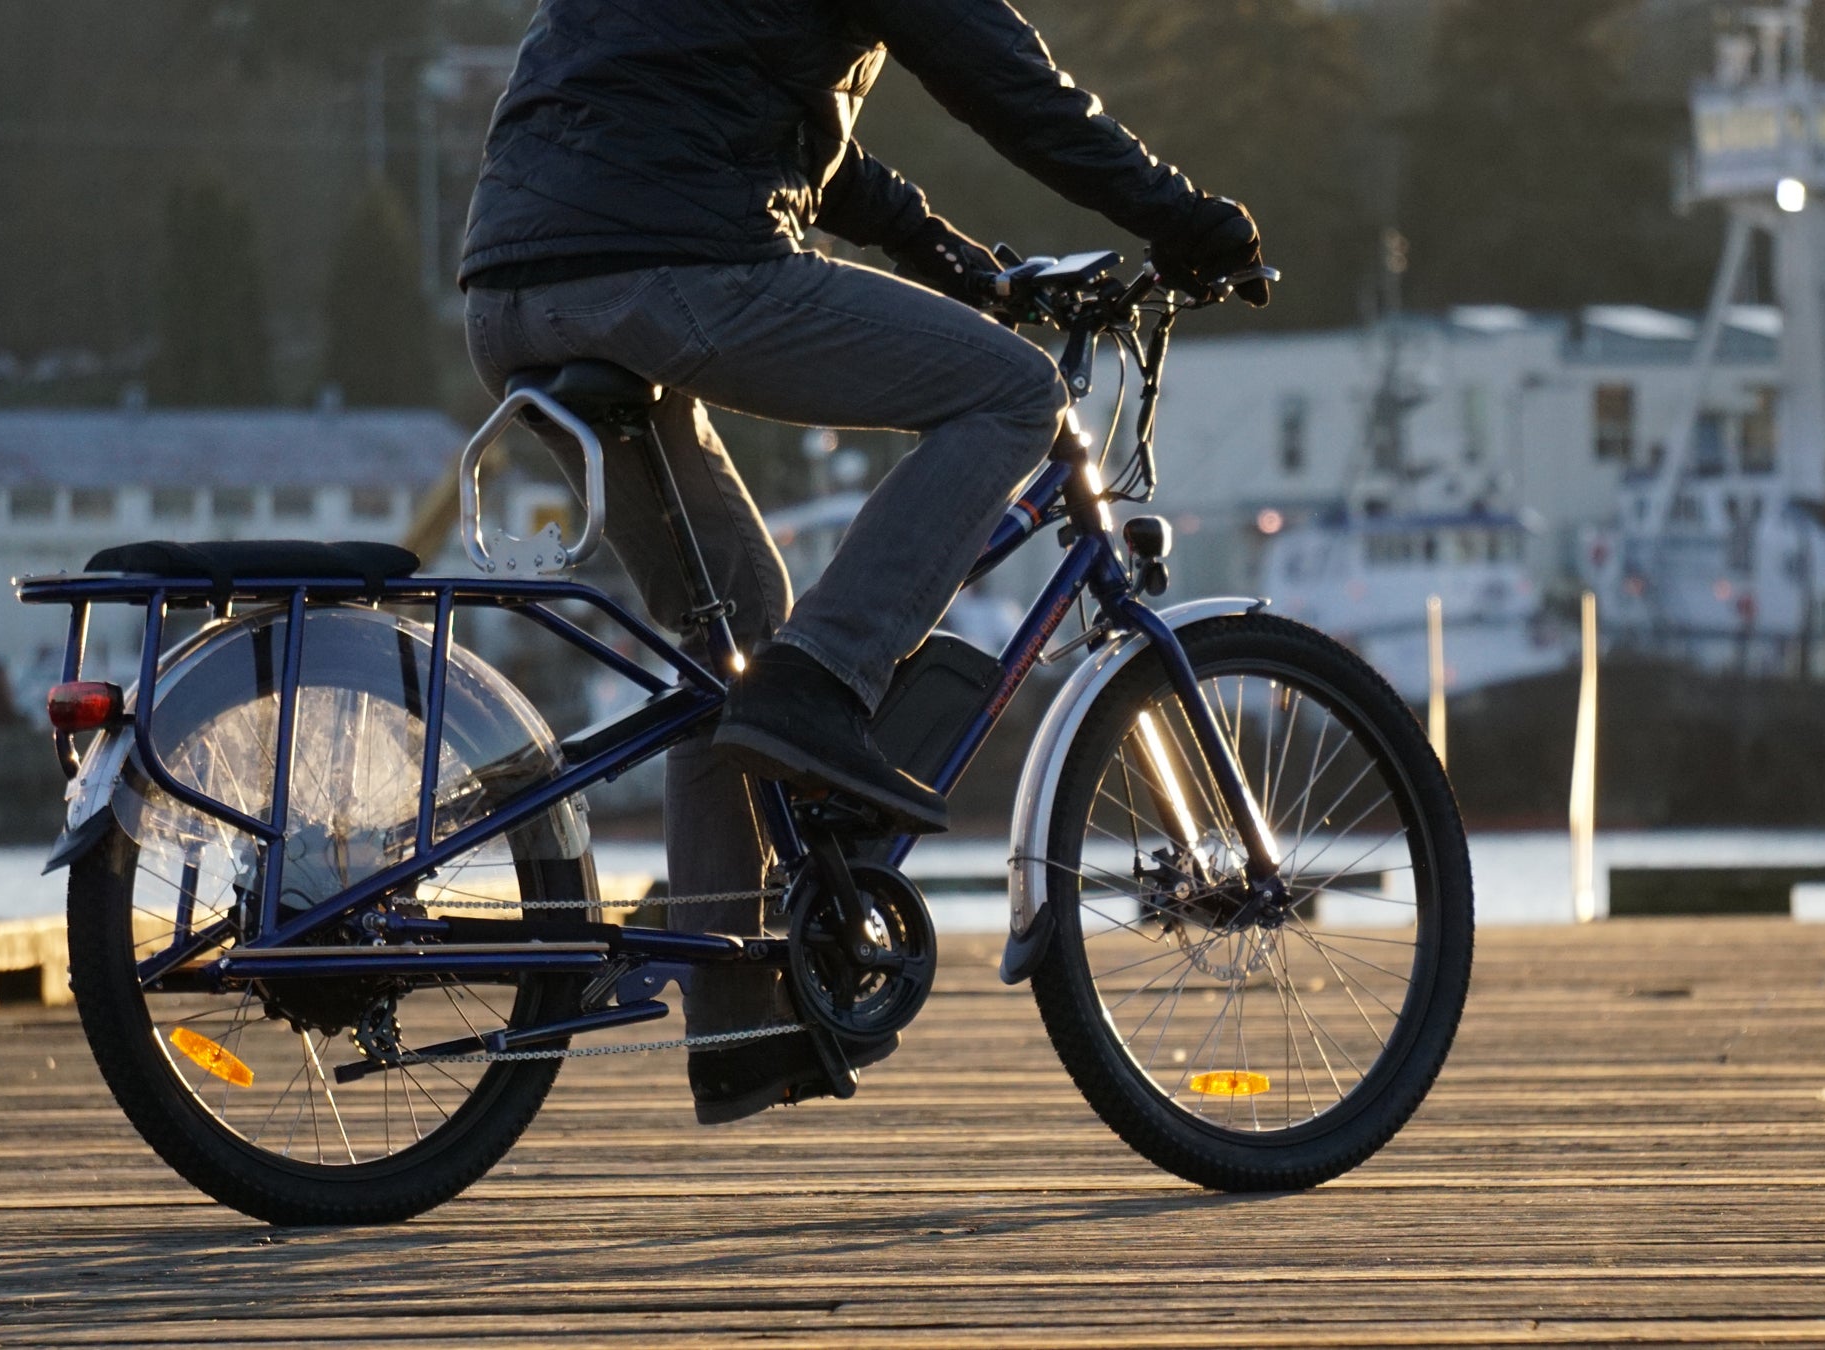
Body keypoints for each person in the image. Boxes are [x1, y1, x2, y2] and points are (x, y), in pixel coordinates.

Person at [458, 0, 1268, 1124]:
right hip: (667, 268)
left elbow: (747, 118)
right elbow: (1012, 89)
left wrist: (937, 250)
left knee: (727, 632)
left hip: (512, 292)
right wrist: (1185, 220)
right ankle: (826, 678)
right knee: (1013, 393)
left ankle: (738, 1024)